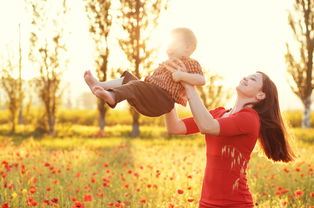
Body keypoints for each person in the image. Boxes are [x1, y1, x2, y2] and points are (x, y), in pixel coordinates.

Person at [163, 59, 295, 208]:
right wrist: (166, 97)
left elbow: (207, 126)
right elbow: (175, 127)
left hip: (235, 203)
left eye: (253, 79)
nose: (246, 78)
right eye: (247, 75)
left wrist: (188, 85)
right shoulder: (218, 113)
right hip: (206, 203)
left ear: (260, 96)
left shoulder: (249, 118)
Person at [84, 27, 205, 117]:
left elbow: (201, 80)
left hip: (163, 100)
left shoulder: (190, 63)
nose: (170, 46)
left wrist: (182, 75)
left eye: (174, 43)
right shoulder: (167, 62)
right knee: (128, 78)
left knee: (136, 85)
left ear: (187, 47)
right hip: (150, 94)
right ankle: (101, 85)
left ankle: (113, 96)